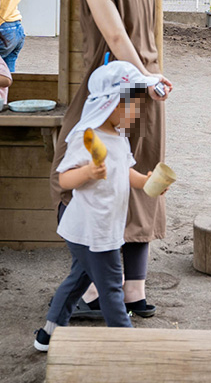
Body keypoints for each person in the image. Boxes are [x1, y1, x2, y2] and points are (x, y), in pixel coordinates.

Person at [49, 0, 172, 321]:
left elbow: (116, 37)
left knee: (77, 173)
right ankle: (133, 291)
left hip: (115, 88)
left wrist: (136, 80)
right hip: (148, 81)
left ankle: (97, 292)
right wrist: (150, 82)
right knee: (134, 179)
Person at [34, 62, 165, 352]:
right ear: (112, 104)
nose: (137, 113)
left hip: (99, 227)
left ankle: (48, 333)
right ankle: (125, 343)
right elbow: (64, 179)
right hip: (93, 228)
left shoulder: (117, 138)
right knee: (110, 288)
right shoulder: (86, 137)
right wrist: (88, 173)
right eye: (132, 106)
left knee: (77, 281)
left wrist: (146, 181)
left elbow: (124, 171)